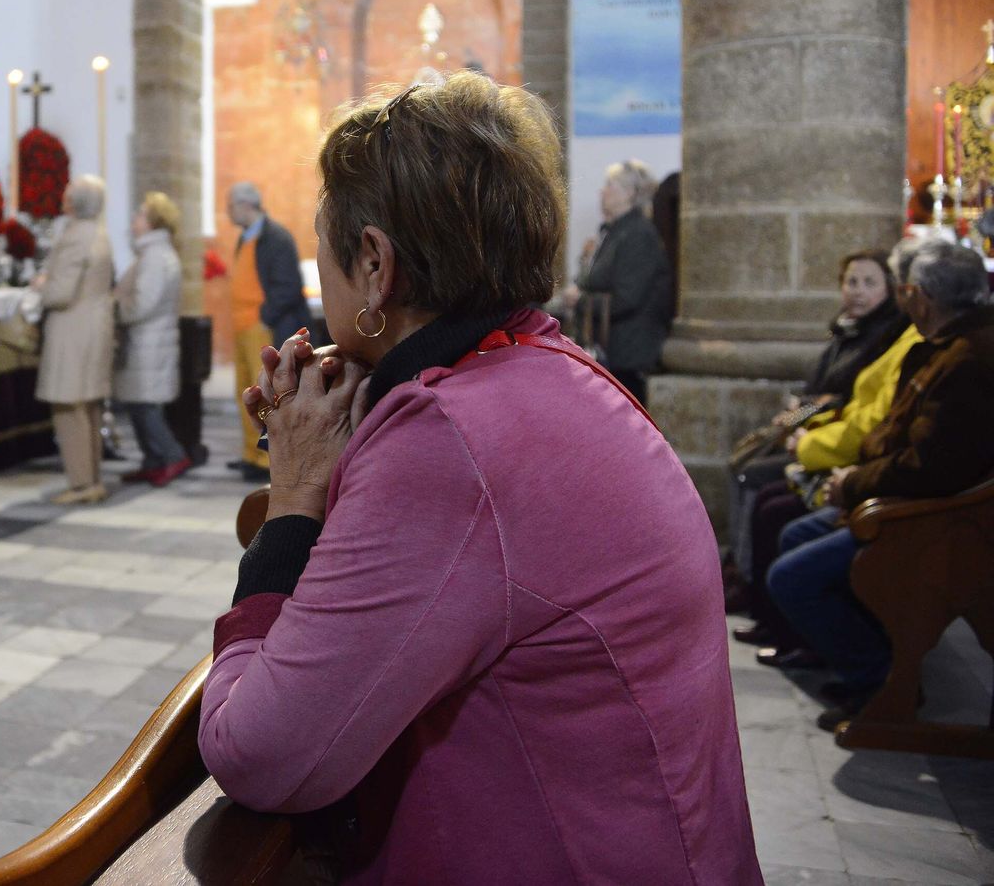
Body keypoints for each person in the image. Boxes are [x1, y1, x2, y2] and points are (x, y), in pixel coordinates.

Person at [199, 73, 760, 883]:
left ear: (373, 261)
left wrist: (293, 498)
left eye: (327, 248)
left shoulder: (448, 439)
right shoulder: (544, 366)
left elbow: (262, 754)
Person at [767, 241, 994, 730]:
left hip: (930, 522)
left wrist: (852, 484)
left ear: (924, 298)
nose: (902, 299)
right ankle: (864, 667)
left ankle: (881, 684)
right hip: (909, 502)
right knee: (793, 533)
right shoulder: (948, 345)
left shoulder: (968, 362)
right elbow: (901, 434)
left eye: (905, 289)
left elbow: (930, 468)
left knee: (792, 575)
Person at [725, 249, 909, 609]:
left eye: (869, 283)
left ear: (890, 289)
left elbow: (854, 407)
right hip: (818, 433)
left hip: (837, 449)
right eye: (851, 282)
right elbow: (825, 387)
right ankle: (740, 570)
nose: (857, 291)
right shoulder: (846, 328)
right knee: (741, 461)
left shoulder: (886, 336)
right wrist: (801, 410)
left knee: (757, 485)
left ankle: (752, 585)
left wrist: (808, 430)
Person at [33, 175, 115, 504]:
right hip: (94, 326)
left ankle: (81, 484)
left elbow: (60, 293)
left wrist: (41, 285)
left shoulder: (73, 237)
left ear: (73, 202)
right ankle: (92, 480)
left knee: (69, 407)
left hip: (72, 330)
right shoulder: (99, 232)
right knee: (90, 406)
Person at [562, 159, 672, 403]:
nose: (603, 191)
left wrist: (580, 300)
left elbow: (627, 299)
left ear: (631, 193)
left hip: (627, 356)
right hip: (611, 351)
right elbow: (591, 279)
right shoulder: (613, 231)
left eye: (611, 185)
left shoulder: (638, 234)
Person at [225, 182, 310, 483]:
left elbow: (289, 286)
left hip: (262, 328)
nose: (228, 211)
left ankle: (266, 459)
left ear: (247, 205)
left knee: (263, 395)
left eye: (231, 205)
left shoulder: (275, 237)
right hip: (243, 327)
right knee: (244, 393)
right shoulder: (246, 237)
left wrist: (264, 317)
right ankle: (251, 455)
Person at [115, 191, 191, 487]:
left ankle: (173, 456)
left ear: (152, 222)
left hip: (149, 342)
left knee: (146, 406)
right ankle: (152, 460)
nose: (134, 221)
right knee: (139, 405)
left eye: (139, 215)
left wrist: (116, 309)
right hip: (147, 341)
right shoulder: (151, 253)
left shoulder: (156, 257)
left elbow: (143, 303)